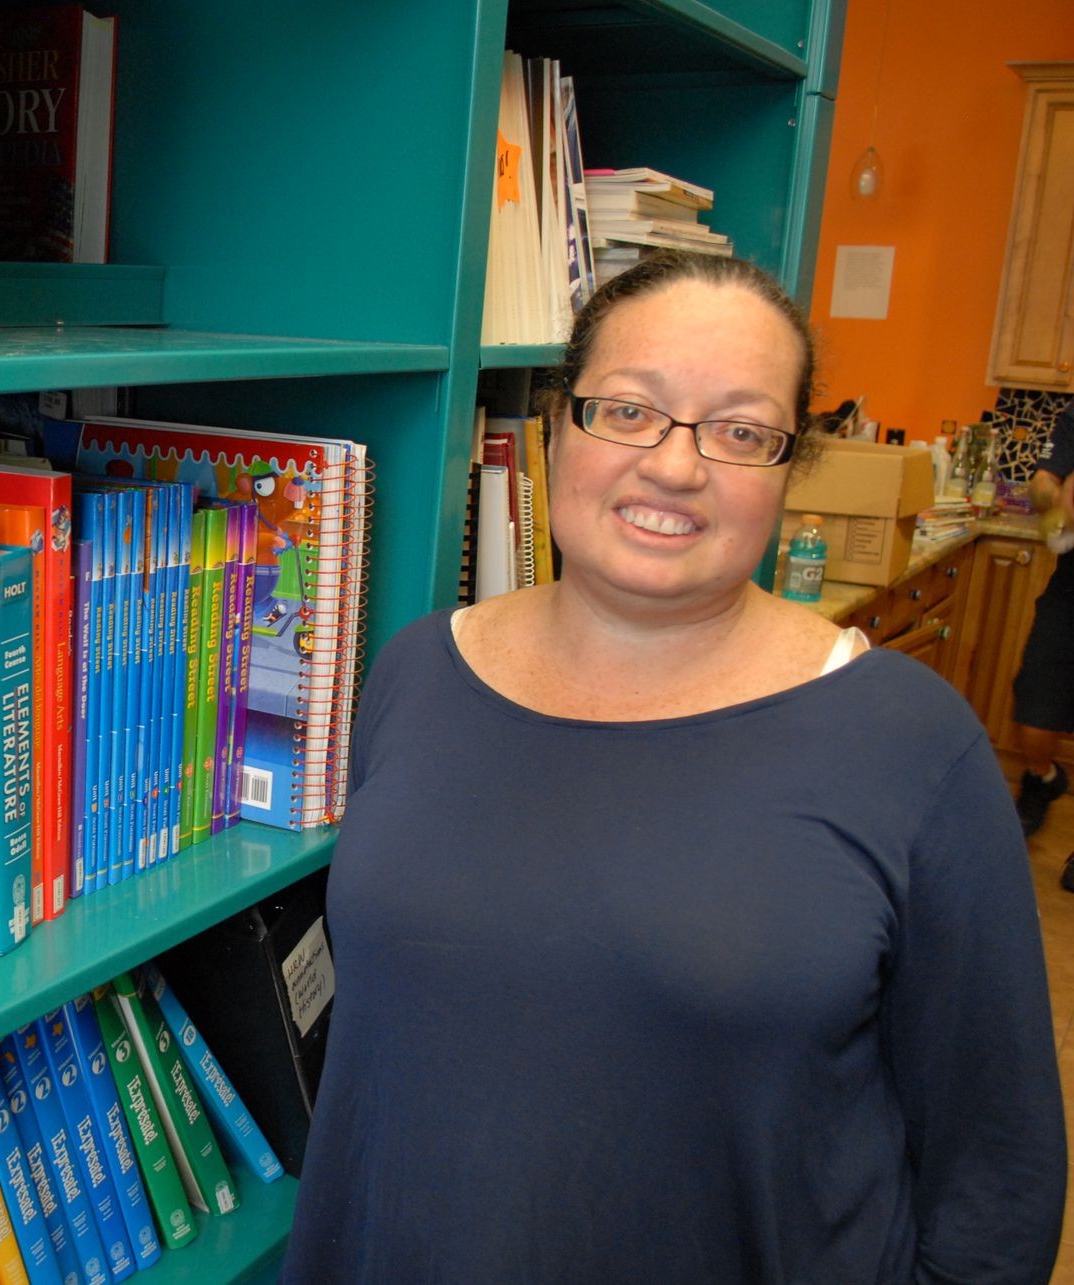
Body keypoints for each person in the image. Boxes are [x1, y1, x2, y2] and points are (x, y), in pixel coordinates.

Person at [283, 253, 1065, 1282]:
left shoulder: (910, 743)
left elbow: (995, 1177)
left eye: (741, 431)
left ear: (792, 467)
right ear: (559, 424)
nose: (676, 466)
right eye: (630, 410)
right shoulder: (419, 671)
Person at [1008, 405, 1074, 883]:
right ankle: (1042, 776)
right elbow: (1042, 482)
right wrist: (1056, 504)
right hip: (1069, 595)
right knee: (1033, 707)